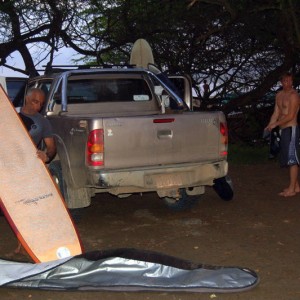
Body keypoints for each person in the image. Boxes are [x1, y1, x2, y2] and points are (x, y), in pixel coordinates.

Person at [14, 87, 56, 255]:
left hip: (31, 169)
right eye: (34, 101)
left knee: (34, 205)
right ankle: (20, 243)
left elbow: (52, 147)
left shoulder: (43, 121)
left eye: (41, 103)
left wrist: (46, 156)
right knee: (16, 207)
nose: (38, 106)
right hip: (10, 168)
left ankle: (36, 242)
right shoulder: (11, 116)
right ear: (26, 98)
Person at [265, 72, 300, 197]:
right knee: (286, 158)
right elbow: (276, 112)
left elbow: (290, 115)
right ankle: (296, 186)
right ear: (281, 82)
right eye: (286, 81)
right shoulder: (279, 95)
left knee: (292, 160)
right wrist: (270, 124)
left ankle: (291, 189)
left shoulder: (294, 96)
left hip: (291, 129)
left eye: (290, 81)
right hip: (282, 130)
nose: (288, 83)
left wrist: (276, 124)